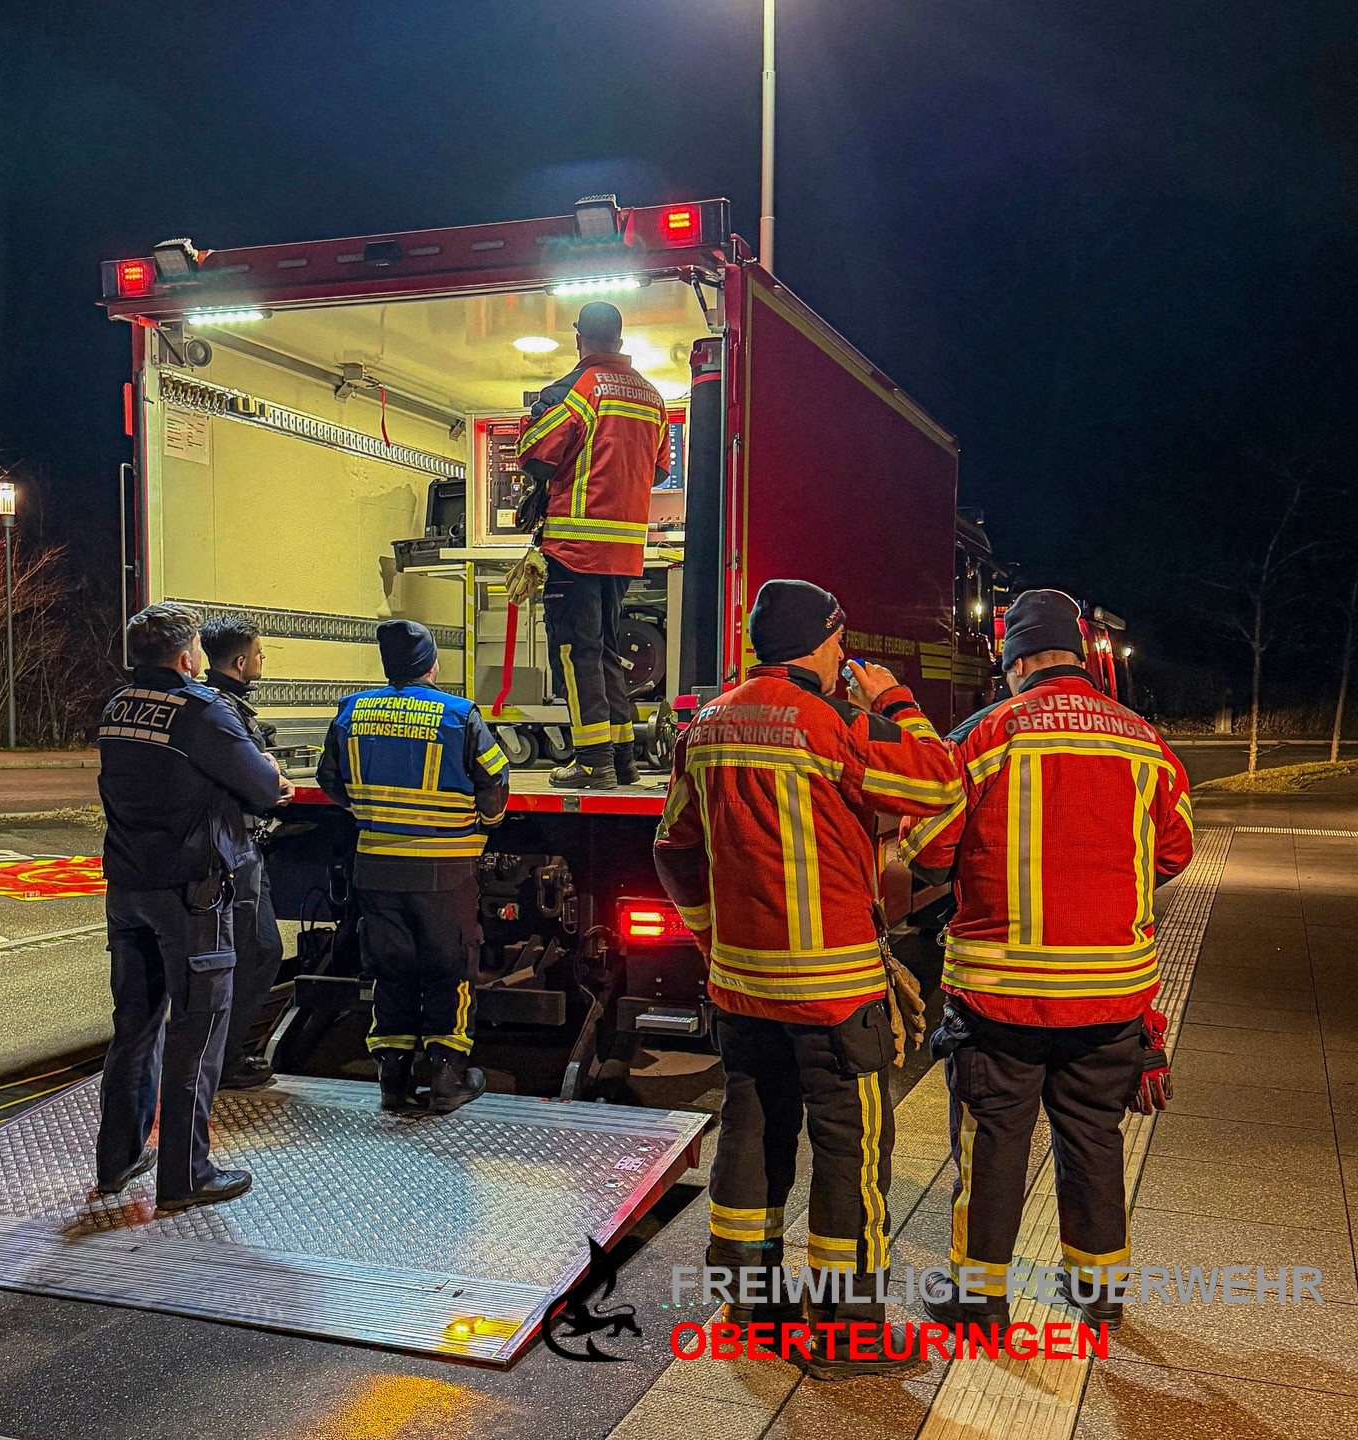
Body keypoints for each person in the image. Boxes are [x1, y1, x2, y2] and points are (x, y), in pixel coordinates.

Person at [653, 579, 965, 1380]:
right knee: (850, 1150)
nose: (842, 654)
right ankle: (845, 1330)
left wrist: (710, 938)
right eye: (838, 641)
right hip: (833, 990)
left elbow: (675, 848)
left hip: (740, 985)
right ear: (820, 644)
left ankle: (749, 1304)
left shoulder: (707, 725)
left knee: (751, 1130)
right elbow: (939, 781)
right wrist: (894, 699)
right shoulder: (834, 724)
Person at [899, 588, 1193, 1334]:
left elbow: (925, 850)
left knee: (993, 1141)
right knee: (1093, 1135)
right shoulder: (1145, 743)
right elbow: (1174, 852)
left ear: (1017, 662)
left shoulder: (982, 737)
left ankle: (978, 1299)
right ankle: (1098, 1292)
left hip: (999, 996)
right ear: (1082, 656)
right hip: (1111, 996)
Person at [94, 603, 291, 1212]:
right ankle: (185, 1176)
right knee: (197, 1031)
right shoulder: (203, 712)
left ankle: (118, 1160)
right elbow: (264, 787)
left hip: (128, 889)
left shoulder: (117, 707)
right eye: (199, 648)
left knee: (135, 1027)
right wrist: (272, 775)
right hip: (190, 894)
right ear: (185, 658)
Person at [316, 619, 510, 1113]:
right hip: (445, 871)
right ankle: (447, 1078)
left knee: (391, 969)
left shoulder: (352, 710)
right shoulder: (458, 714)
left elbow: (329, 779)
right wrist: (486, 822)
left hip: (375, 866)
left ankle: (393, 1080)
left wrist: (371, 813)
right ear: (432, 665)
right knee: (450, 967)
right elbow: (494, 781)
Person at [515, 301, 669, 790]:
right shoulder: (652, 396)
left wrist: (531, 423)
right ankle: (622, 759)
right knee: (605, 650)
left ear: (578, 337)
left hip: (575, 548)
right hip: (624, 552)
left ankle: (592, 762)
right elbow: (659, 470)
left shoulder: (578, 389)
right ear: (620, 340)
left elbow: (535, 456)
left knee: (575, 652)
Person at [199, 614, 286, 1091]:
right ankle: (225, 1059)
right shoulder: (222, 712)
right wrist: (272, 780)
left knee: (251, 951)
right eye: (258, 653)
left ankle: (222, 1054)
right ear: (238, 662)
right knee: (255, 952)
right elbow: (256, 786)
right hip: (236, 851)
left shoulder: (218, 706)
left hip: (236, 848)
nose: (262, 659)